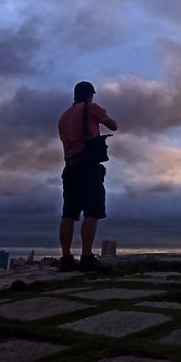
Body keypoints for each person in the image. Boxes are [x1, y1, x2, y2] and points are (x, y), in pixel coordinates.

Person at [57, 81, 118, 272]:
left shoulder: (63, 117)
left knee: (69, 213)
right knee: (92, 212)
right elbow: (113, 126)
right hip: (88, 168)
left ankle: (66, 258)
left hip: (70, 168)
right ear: (90, 94)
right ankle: (86, 257)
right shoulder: (92, 108)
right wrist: (103, 114)